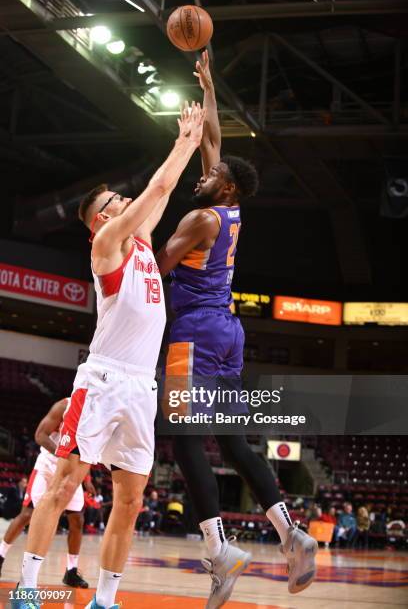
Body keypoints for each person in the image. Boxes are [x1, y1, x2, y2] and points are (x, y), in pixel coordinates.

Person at [12, 102, 206, 609]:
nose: (129, 201)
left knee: (132, 499)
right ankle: (29, 590)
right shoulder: (107, 243)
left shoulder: (140, 239)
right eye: (119, 199)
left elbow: (160, 197)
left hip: (142, 385)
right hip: (102, 380)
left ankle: (105, 599)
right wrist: (185, 140)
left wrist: (203, 119)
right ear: (102, 218)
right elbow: (159, 188)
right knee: (64, 485)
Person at [157, 51, 317, 609]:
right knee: (232, 440)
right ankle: (290, 532)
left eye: (212, 176)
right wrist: (207, 86)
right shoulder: (230, 211)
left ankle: (220, 549)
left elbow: (157, 265)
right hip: (228, 333)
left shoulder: (200, 217)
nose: (206, 173)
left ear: (225, 189)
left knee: (181, 437)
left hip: (196, 332)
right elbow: (215, 144)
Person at [0, 398, 91, 587]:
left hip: (71, 471)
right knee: (27, 515)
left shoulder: (96, 411)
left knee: (77, 520)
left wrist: (87, 479)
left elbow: (87, 449)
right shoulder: (64, 406)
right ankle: (1, 555)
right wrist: (63, 454)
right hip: (47, 467)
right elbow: (40, 435)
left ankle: (71, 571)